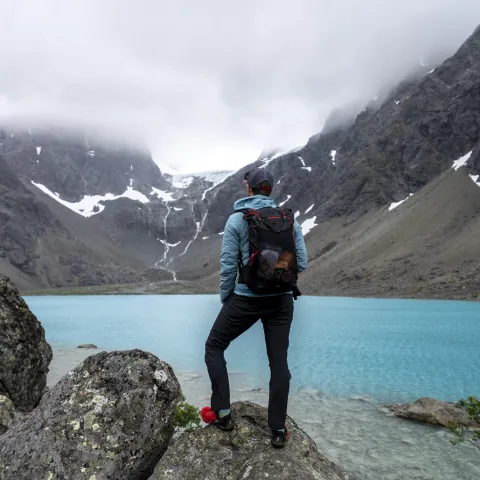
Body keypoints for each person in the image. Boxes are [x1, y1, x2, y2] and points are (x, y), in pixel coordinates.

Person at [204, 167, 308, 448]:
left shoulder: (238, 219)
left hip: (246, 298)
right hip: (282, 300)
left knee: (214, 346)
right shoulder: (289, 220)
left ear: (247, 187)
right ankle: (277, 429)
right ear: (269, 190)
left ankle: (223, 413)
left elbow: (228, 266)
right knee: (279, 364)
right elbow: (303, 261)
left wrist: (228, 299)